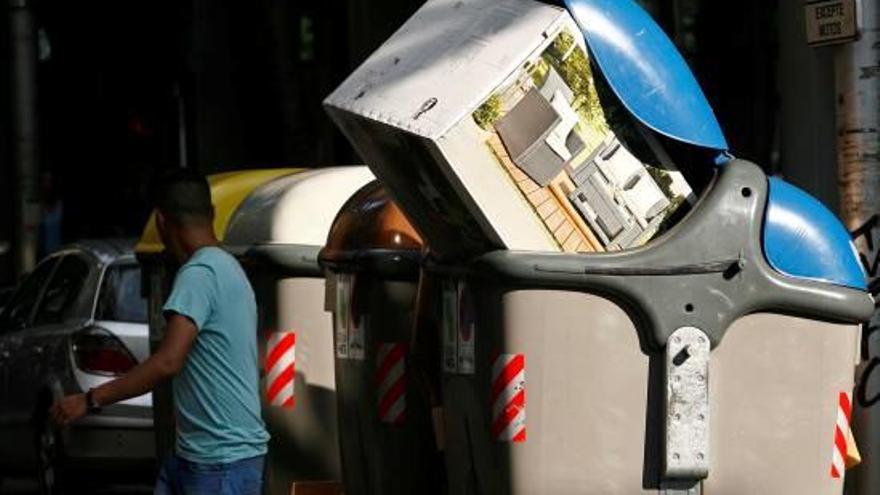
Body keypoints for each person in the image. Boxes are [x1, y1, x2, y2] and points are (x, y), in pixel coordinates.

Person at [51, 169, 269, 494]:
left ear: (162, 223)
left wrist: (90, 399)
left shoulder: (198, 274)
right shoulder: (229, 269)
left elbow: (168, 361)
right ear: (211, 214)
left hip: (218, 463)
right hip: (203, 457)